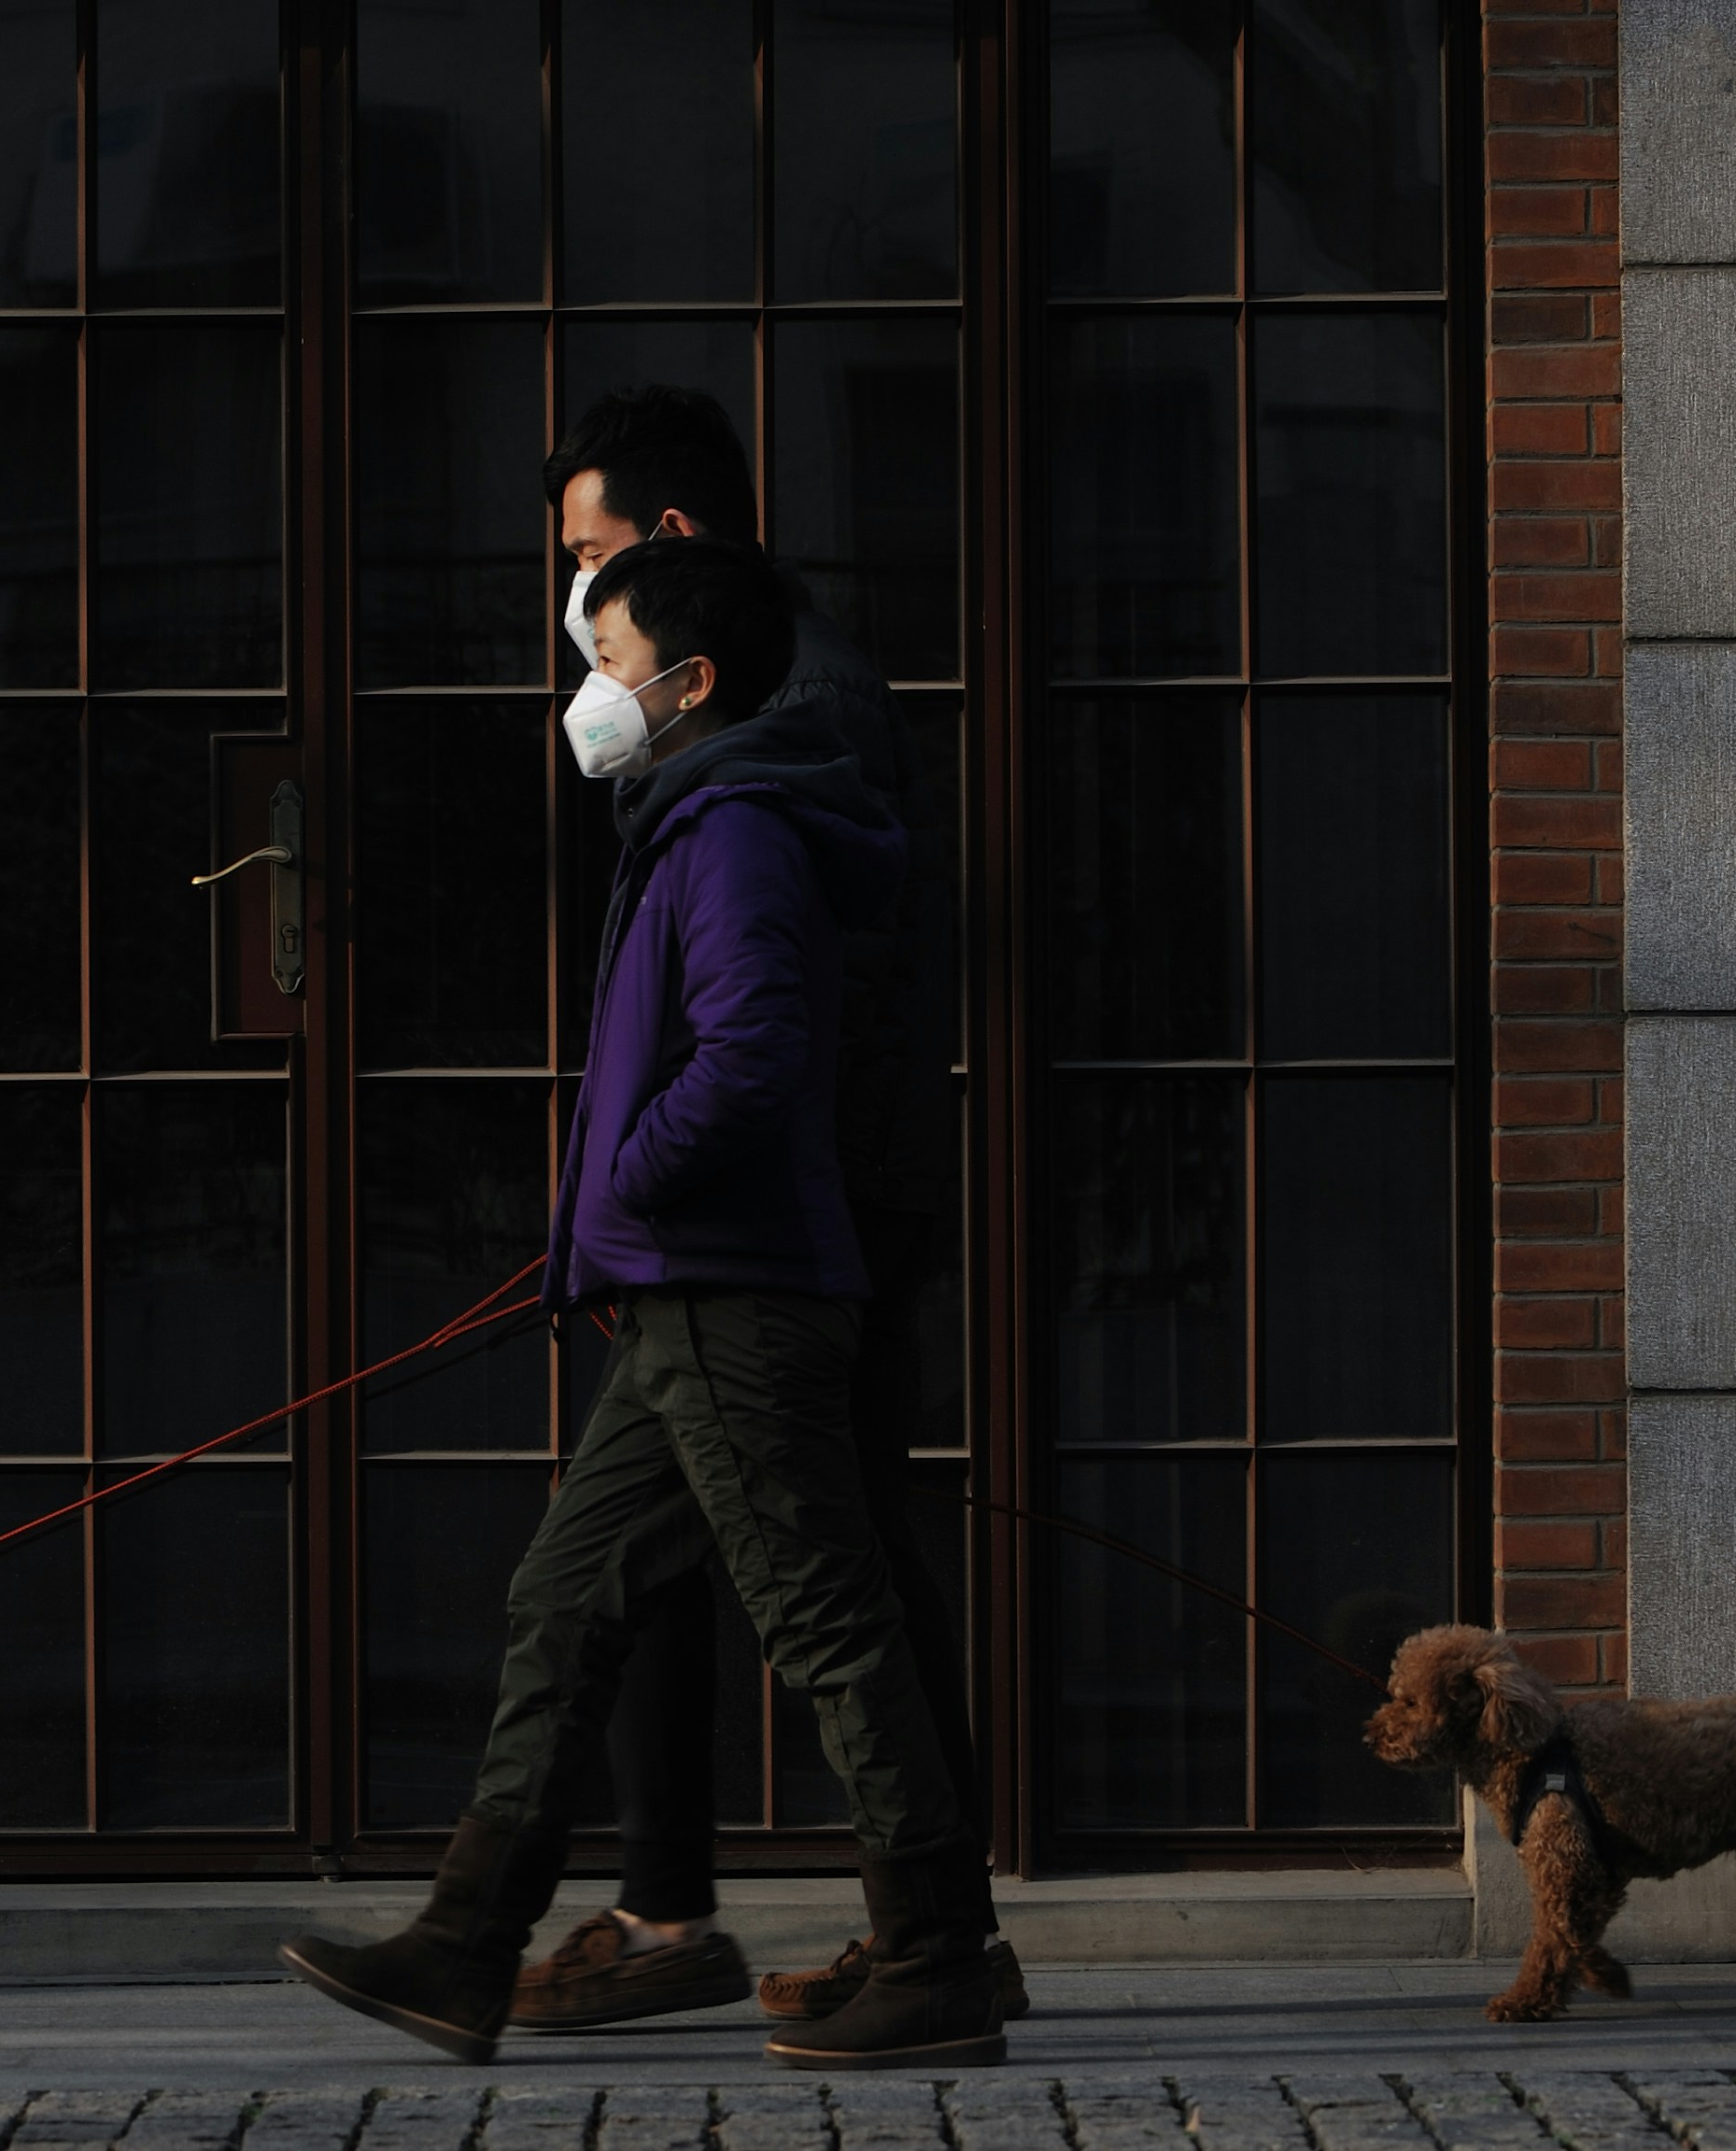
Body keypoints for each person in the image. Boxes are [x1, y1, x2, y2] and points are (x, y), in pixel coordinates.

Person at [280, 538, 1011, 2072]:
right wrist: (615, 1226)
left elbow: (750, 1057)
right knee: (568, 1597)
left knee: (824, 1619)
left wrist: (626, 1191)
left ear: (692, 685)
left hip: (735, 1291)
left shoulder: (735, 827)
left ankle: (940, 1953)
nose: (591, 691)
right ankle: (466, 1945)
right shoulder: (688, 818)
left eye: (608, 662)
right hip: (690, 1285)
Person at [505, 386, 1009, 2035]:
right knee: (679, 1564)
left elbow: (782, 1022)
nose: (575, 606)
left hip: (776, 1233)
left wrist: (634, 1194)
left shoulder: (768, 726)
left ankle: (923, 1931)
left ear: (666, 552)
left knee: (825, 1580)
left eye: (590, 564)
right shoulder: (754, 714)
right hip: (752, 1225)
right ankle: (737, 1913)